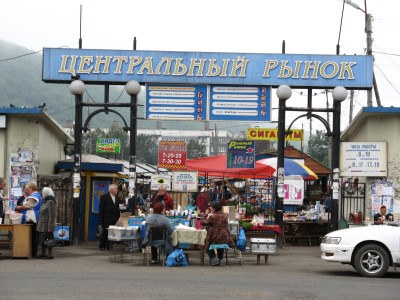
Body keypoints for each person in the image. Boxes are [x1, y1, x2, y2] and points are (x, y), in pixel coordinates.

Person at [201, 202, 235, 266]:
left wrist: (205, 215)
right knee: (220, 243)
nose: (210, 209)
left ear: (214, 209)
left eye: (211, 208)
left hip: (215, 238)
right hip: (225, 238)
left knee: (207, 244)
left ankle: (214, 259)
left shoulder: (212, 217)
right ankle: (220, 260)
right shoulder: (226, 215)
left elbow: (203, 222)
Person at [16, 181, 42, 257]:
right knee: (32, 236)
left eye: (27, 189)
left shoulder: (34, 196)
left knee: (31, 236)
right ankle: (32, 252)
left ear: (31, 188)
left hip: (30, 218)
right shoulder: (36, 195)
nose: (26, 190)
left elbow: (28, 206)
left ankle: (31, 252)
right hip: (32, 217)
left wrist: (19, 207)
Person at [98, 184, 123, 251]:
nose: (117, 190)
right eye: (116, 189)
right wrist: (100, 220)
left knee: (113, 233)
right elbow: (101, 209)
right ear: (111, 190)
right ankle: (102, 246)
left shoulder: (117, 198)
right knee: (105, 233)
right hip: (106, 218)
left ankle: (110, 246)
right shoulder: (104, 197)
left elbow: (119, 208)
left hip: (115, 218)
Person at [36, 187, 56, 259]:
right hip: (41, 224)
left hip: (46, 224)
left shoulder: (51, 202)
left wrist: (50, 227)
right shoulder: (44, 201)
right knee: (42, 239)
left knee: (48, 238)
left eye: (43, 192)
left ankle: (50, 254)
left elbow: (52, 215)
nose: (42, 193)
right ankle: (43, 252)